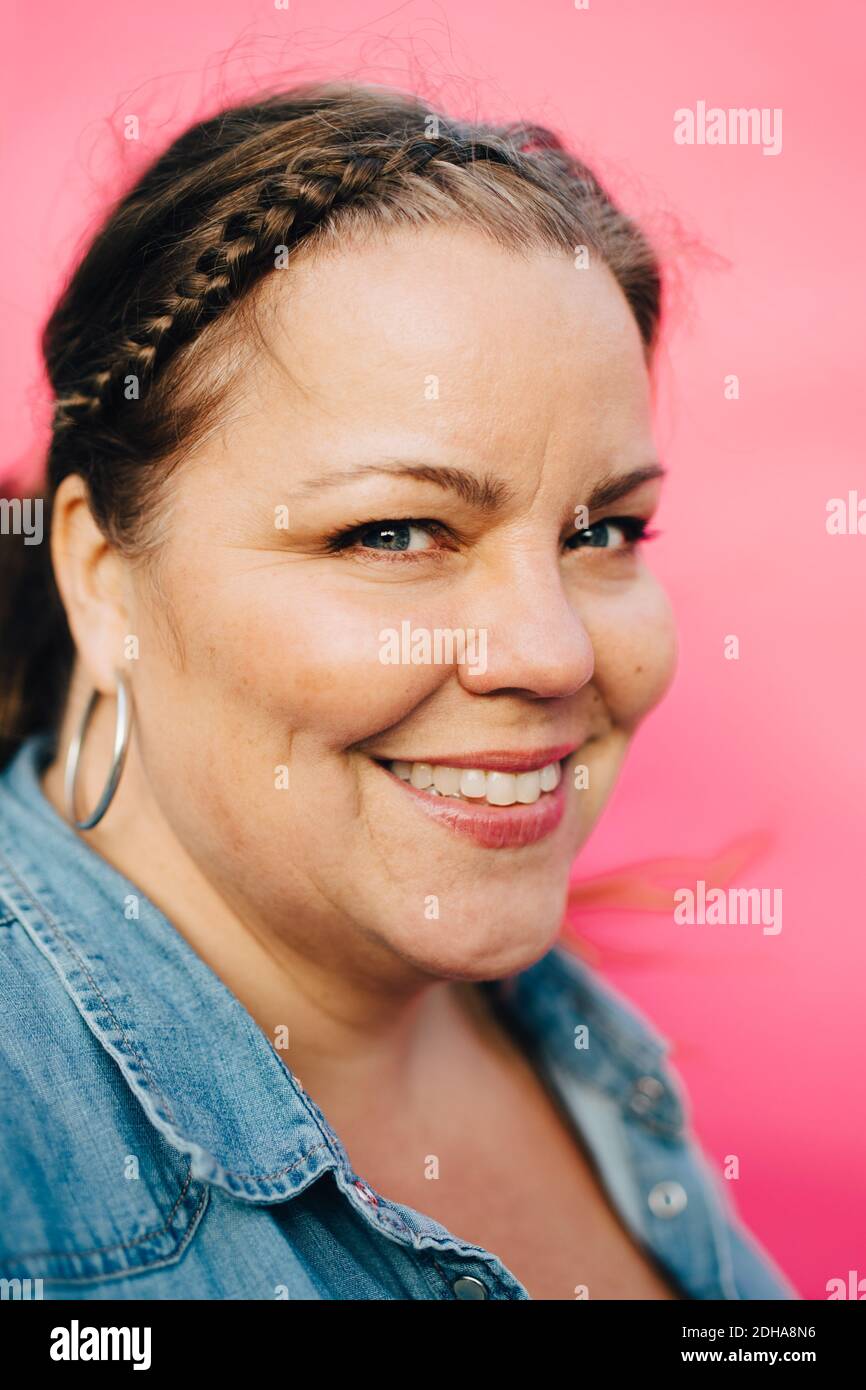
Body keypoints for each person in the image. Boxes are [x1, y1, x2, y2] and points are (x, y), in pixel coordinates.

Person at [0, 81, 797, 1300]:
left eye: (603, 532)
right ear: (104, 580)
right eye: (391, 533)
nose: (552, 655)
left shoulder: (558, 1041)